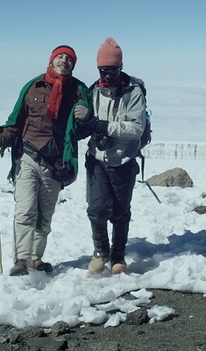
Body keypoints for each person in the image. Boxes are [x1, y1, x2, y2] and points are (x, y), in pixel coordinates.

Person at [0, 45, 91, 276]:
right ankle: (21, 259)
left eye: (69, 59)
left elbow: (83, 129)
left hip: (56, 162)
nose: (64, 61)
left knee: (45, 213)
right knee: (25, 209)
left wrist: (86, 115)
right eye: (60, 57)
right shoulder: (33, 86)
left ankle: (36, 258)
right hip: (28, 156)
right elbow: (16, 121)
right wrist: (0, 139)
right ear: (52, 60)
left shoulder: (79, 91)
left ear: (73, 64)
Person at [73, 37, 146, 275]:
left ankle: (118, 257)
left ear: (120, 67)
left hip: (123, 160)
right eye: (102, 70)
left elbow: (136, 129)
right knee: (96, 209)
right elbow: (87, 126)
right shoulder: (93, 91)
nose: (106, 75)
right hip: (97, 159)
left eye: (112, 70)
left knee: (120, 211)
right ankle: (100, 253)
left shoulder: (133, 92)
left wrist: (98, 125)